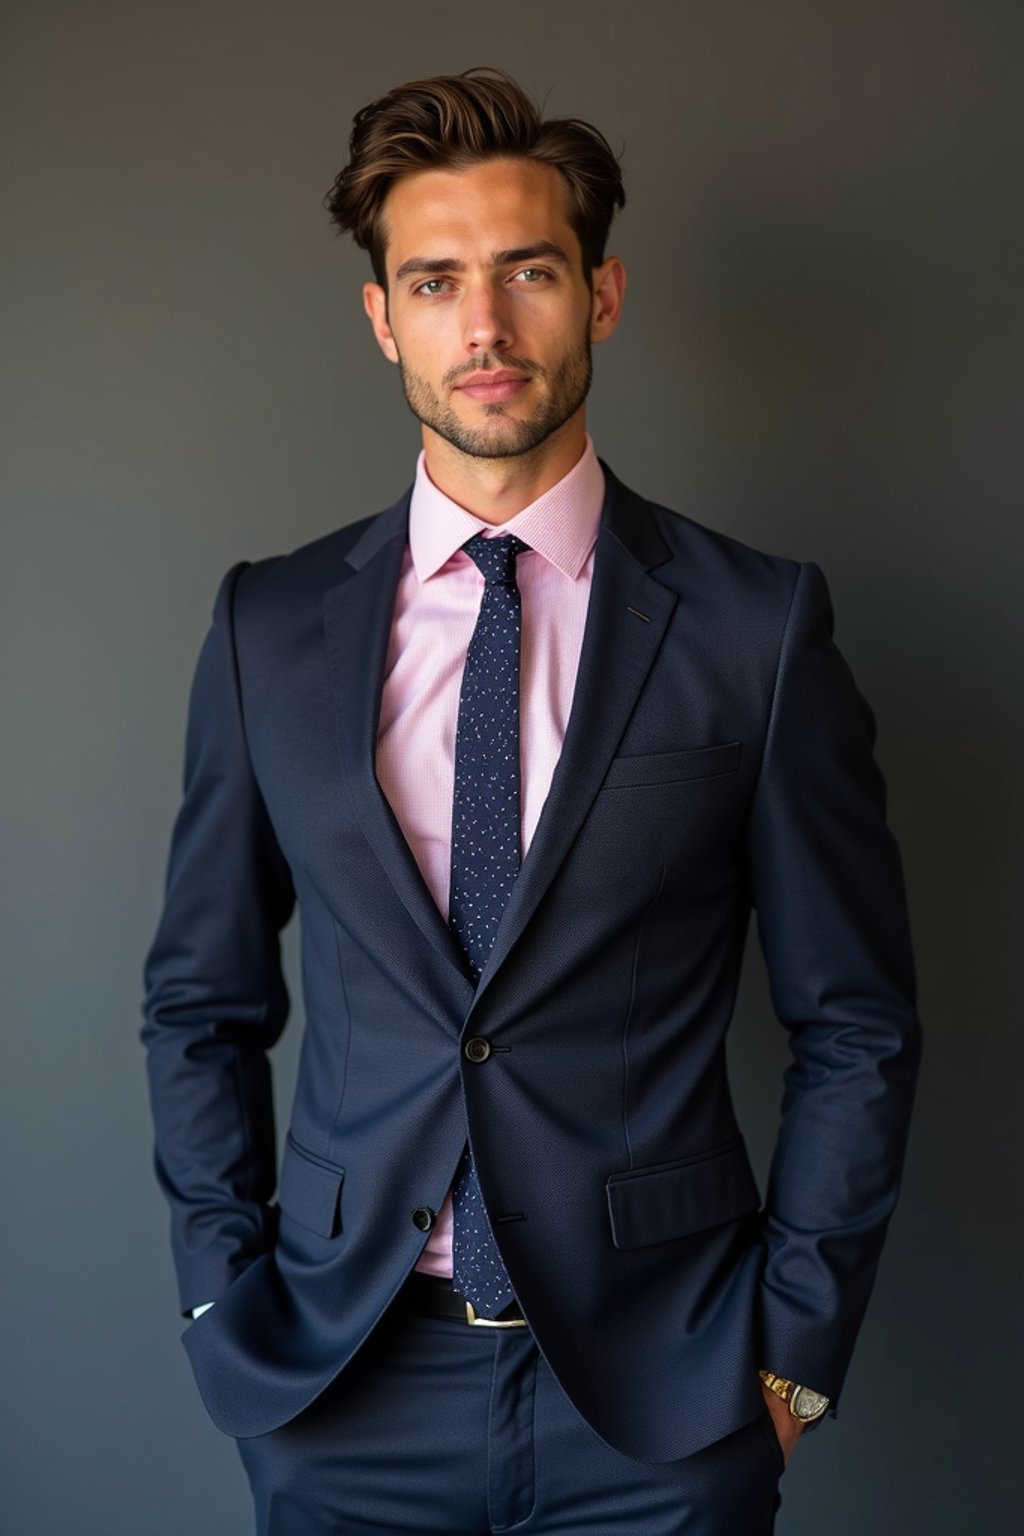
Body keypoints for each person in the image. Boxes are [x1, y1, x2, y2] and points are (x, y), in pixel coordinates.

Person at [141, 64, 922, 1536]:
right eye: (434, 282)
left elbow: (858, 1020)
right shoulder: (268, 627)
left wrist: (795, 1365)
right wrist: (219, 1298)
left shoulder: (757, 630)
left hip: (667, 1400)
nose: (484, 326)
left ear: (602, 295)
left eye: (529, 273)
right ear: (383, 318)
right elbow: (200, 1003)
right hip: (341, 1391)